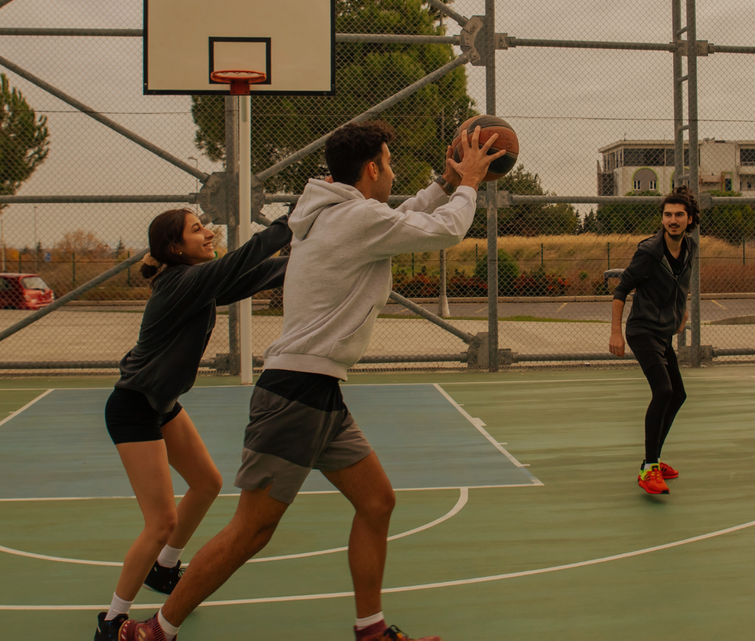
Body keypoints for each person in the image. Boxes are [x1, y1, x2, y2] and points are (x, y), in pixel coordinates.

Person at [120, 120, 505, 641]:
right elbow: (444, 230)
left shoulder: (341, 213)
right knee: (251, 530)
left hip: (318, 392)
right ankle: (155, 632)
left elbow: (398, 217)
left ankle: (370, 631)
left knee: (377, 502)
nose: (391, 172)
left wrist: (443, 180)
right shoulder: (352, 218)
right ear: (372, 170)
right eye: (389, 164)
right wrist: (468, 185)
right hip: (296, 395)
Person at [95, 208, 291, 641]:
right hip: (133, 408)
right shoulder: (183, 282)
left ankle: (165, 569)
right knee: (161, 522)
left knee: (206, 483)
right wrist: (288, 223)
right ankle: (111, 620)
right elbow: (243, 261)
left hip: (161, 404)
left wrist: (322, 255)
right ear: (175, 248)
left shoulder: (197, 283)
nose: (208, 234)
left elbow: (258, 275)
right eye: (197, 230)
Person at [608, 186, 698, 496]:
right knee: (663, 390)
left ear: (689, 219)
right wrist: (615, 332)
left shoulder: (690, 248)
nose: (672, 220)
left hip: (662, 332)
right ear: (662, 218)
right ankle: (648, 468)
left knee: (678, 395)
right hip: (641, 330)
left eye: (678, 215)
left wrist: (682, 311)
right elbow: (621, 290)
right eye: (667, 215)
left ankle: (654, 461)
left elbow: (682, 284)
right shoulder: (649, 252)